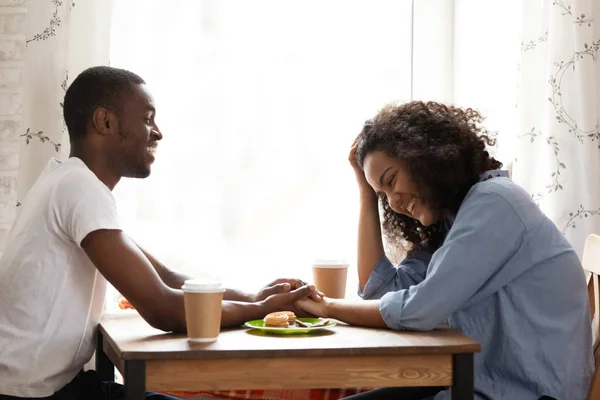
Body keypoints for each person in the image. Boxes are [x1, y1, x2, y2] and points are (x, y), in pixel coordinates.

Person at [0, 66, 320, 400]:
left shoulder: (69, 182)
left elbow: (164, 275)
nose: (158, 133)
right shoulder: (79, 188)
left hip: (51, 389)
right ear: (105, 122)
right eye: (148, 119)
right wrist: (261, 311)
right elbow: (161, 308)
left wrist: (252, 297)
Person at [298, 101, 594, 400]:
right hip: (474, 387)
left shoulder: (496, 203)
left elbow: (417, 310)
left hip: (526, 394)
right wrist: (366, 193)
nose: (393, 203)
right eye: (382, 196)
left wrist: (327, 308)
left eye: (390, 182)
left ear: (424, 159)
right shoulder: (455, 218)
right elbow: (382, 293)